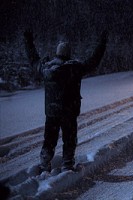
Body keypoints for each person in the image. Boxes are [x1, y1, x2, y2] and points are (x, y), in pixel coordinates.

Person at [24, 31, 108, 172]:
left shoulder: (47, 68)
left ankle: (45, 163)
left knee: (49, 139)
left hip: (52, 112)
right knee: (69, 139)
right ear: (69, 53)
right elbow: (94, 61)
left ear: (57, 53)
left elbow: (33, 60)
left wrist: (28, 42)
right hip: (69, 111)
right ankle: (67, 164)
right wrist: (102, 44)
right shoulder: (74, 68)